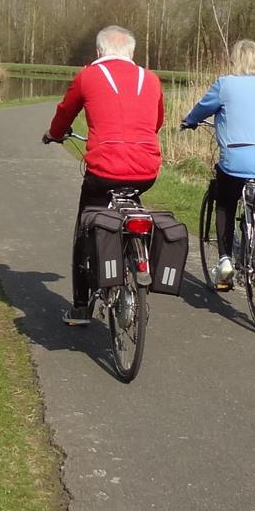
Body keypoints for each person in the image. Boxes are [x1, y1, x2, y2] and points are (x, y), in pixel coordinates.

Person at [43, 25, 164, 325]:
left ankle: (81, 307)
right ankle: (138, 257)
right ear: (132, 53)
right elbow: (156, 122)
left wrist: (53, 135)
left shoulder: (88, 75)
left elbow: (65, 113)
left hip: (104, 171)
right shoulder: (150, 78)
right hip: (146, 170)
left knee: (86, 224)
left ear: (98, 52)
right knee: (132, 202)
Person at [180, 39, 255, 290]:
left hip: (236, 160)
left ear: (235, 60)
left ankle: (225, 258)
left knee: (225, 202)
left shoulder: (225, 84)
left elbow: (203, 108)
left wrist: (190, 121)